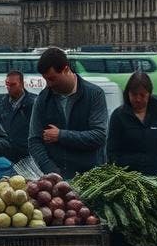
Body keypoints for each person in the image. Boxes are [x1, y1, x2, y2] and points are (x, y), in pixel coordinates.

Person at [28, 47, 109, 178]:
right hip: (56, 179)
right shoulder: (43, 99)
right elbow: (34, 141)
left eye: (52, 78)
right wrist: (50, 169)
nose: (48, 84)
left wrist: (61, 135)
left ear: (66, 69)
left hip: (91, 178)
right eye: (46, 79)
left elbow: (99, 136)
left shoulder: (94, 94)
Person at [107, 72, 157, 176]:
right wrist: (123, 173)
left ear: (149, 94)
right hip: (127, 180)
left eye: (142, 95)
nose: (138, 99)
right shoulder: (118, 116)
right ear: (128, 93)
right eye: (134, 94)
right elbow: (112, 151)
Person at [0, 70, 35, 163]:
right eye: (7, 84)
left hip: (28, 155)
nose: (9, 88)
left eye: (13, 85)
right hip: (7, 156)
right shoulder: (0, 106)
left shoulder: (34, 103)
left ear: (22, 84)